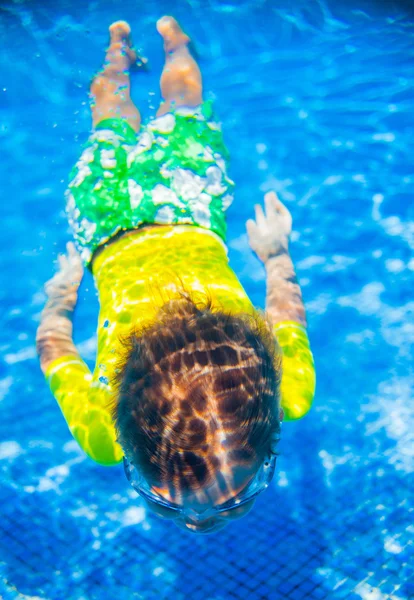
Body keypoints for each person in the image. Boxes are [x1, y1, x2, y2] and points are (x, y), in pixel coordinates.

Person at [36, 16, 315, 534]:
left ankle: (131, 50)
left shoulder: (290, 390)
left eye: (166, 499)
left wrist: (276, 258)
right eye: (235, 496)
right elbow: (53, 347)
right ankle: (157, 45)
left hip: (176, 206)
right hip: (111, 227)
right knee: (121, 119)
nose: (195, 520)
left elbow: (284, 311)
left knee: (162, 112)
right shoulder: (104, 435)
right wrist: (60, 301)